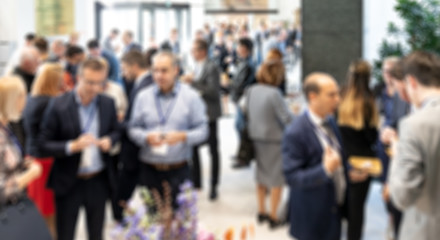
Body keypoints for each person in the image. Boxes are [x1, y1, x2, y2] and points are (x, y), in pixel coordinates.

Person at [40, 58, 120, 240]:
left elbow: (116, 130)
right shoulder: (58, 105)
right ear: (78, 78)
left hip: (98, 180)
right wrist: (71, 146)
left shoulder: (107, 103)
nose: (95, 88)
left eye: (100, 83)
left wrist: (110, 140)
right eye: (90, 82)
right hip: (69, 181)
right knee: (66, 234)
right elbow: (43, 144)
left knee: (96, 234)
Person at [128, 51, 208, 207]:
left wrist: (183, 136)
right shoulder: (143, 97)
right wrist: (145, 137)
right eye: (155, 70)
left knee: (179, 224)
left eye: (164, 70)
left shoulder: (191, 97)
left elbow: (203, 130)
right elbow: (133, 128)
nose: (159, 75)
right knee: (152, 222)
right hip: (149, 169)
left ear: (176, 70)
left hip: (179, 169)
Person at [282, 73, 346, 240]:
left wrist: (349, 169)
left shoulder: (331, 122)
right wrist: (324, 170)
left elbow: (338, 155)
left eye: (338, 94)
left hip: (333, 211)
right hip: (311, 218)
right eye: (331, 95)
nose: (337, 100)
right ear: (313, 97)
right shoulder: (296, 132)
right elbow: (292, 177)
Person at [389, 51, 440, 240]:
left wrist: (396, 155)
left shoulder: (414, 125)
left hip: (427, 230)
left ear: (411, 82)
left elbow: (402, 196)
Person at [0, 76, 51, 239]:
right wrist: (30, 174)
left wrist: (21, 165)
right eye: (22, 97)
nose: (25, 102)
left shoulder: (7, 127)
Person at [246, 59, 294, 229]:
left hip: (256, 137)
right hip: (275, 140)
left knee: (261, 176)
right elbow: (286, 118)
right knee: (276, 180)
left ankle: (262, 212)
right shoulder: (274, 93)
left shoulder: (251, 90)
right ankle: (274, 216)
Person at [337, 60, 379, 240]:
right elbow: (372, 137)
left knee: (342, 201)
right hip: (364, 160)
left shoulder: (340, 95)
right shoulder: (369, 102)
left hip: (343, 157)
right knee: (357, 208)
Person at [114, 49, 156, 221]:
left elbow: (141, 121)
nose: (123, 73)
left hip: (137, 148)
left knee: (129, 184)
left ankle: (121, 216)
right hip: (140, 148)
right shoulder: (144, 83)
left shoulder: (144, 86)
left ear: (134, 66)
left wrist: (118, 123)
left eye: (124, 68)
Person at [23, 63, 64, 239]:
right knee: (50, 215)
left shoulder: (30, 99)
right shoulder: (51, 102)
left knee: (39, 212)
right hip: (46, 163)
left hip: (33, 159)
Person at [182, 39, 222, 200]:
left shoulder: (211, 67)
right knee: (194, 149)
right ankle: (196, 182)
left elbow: (213, 91)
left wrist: (194, 82)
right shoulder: (196, 66)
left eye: (194, 50)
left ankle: (214, 186)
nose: (192, 53)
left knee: (213, 151)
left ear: (203, 51)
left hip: (210, 114)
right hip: (196, 114)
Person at [376, 57, 410, 239]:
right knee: (390, 197)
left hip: (404, 158)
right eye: (385, 72)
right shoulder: (385, 92)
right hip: (389, 153)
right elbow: (392, 121)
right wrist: (387, 130)